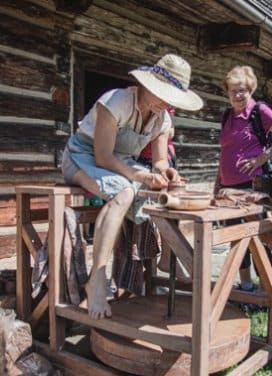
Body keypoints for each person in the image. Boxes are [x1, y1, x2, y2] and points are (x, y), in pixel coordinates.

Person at [60, 54, 203, 319]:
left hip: (122, 163)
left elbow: (159, 161)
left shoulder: (163, 119)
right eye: (162, 94)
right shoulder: (116, 101)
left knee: (158, 195)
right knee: (125, 192)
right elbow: (103, 157)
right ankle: (97, 278)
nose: (165, 102)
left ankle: (154, 265)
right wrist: (141, 177)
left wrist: (166, 172)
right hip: (82, 157)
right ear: (147, 85)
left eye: (170, 98)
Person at [215, 65, 272, 303]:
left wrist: (260, 158)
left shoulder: (259, 111)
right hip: (228, 189)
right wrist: (217, 185)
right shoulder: (226, 116)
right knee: (235, 238)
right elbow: (224, 153)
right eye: (233, 91)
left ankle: (268, 288)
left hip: (254, 186)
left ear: (250, 90)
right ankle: (246, 286)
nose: (238, 95)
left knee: (261, 236)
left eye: (242, 90)